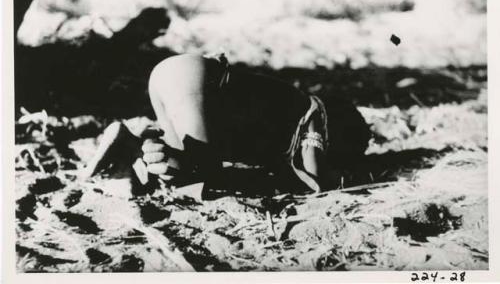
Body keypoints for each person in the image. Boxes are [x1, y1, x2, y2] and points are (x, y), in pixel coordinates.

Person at [85, 53, 371, 194]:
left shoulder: (287, 119)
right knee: (204, 176)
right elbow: (317, 176)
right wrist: (341, 178)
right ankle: (132, 150)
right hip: (194, 80)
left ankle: (131, 147)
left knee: (179, 168)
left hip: (170, 75)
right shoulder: (315, 112)